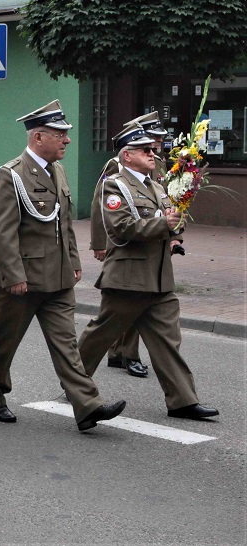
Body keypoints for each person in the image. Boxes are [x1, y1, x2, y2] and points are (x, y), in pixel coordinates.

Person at [0, 100, 126, 432]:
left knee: (67, 345)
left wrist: (73, 261)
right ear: (38, 137)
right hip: (23, 279)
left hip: (58, 277)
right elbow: (2, 231)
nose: (67, 140)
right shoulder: (11, 174)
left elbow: (64, 223)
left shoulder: (57, 170)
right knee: (4, 341)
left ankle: (87, 406)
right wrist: (14, 274)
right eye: (60, 134)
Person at [77, 124, 218, 422]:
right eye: (144, 150)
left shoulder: (157, 186)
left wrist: (176, 227)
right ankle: (74, 381)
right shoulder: (115, 186)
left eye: (152, 149)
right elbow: (121, 227)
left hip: (159, 278)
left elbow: (170, 220)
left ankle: (183, 401)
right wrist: (163, 224)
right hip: (128, 278)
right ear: (127, 156)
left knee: (168, 341)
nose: (152, 153)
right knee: (100, 335)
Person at [89, 112, 178, 379]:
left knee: (138, 309)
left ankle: (120, 354)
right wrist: (99, 243)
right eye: (152, 140)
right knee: (123, 308)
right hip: (126, 243)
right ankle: (123, 354)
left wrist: (174, 233)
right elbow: (101, 205)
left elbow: (163, 202)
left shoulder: (156, 163)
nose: (156, 146)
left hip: (153, 245)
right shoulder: (116, 168)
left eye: (158, 141)